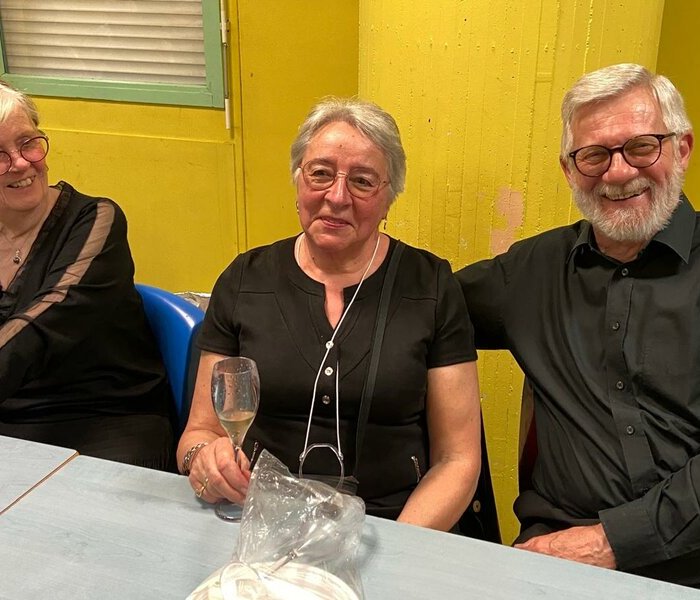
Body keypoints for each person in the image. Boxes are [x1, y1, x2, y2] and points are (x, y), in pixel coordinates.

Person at [178, 97, 481, 530]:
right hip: (258, 520)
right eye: (320, 173)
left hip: (391, 524)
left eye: (362, 181)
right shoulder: (245, 279)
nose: (337, 197)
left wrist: (400, 547)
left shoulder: (430, 286)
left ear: (388, 197)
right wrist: (204, 461)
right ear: (298, 180)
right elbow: (199, 433)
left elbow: (458, 458)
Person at [457, 63, 700, 587]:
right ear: (569, 170)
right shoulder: (531, 272)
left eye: (642, 146)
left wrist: (612, 541)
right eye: (594, 155)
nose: (618, 172)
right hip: (554, 557)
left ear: (682, 148)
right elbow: (416, 309)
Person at [0, 80, 174, 469]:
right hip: (13, 422)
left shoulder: (97, 219)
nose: (21, 163)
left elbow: (46, 322)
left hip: (110, 418)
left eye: (28, 143)